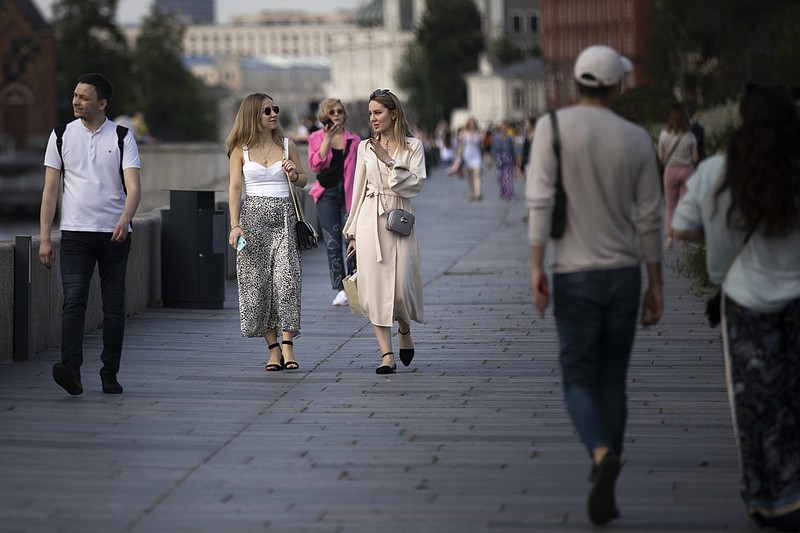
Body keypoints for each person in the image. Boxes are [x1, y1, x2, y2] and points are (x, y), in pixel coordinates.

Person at [526, 45, 663, 526]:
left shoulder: (552, 127)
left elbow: (539, 202)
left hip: (573, 273)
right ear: (617, 84)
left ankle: (602, 457)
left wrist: (536, 269)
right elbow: (650, 217)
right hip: (624, 275)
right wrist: (657, 282)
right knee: (613, 381)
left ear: (577, 82)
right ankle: (606, 466)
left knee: (578, 375)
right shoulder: (636, 137)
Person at [671, 84, 800, 532]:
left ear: (741, 121)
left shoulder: (716, 173)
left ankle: (766, 492)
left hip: (745, 301)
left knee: (753, 400)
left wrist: (723, 241)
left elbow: (682, 229)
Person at [39, 72, 142, 395]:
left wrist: (125, 218)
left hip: (114, 234)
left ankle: (109, 373)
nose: (75, 101)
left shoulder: (122, 136)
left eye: (83, 97)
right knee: (73, 302)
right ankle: (71, 371)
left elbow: (134, 187)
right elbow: (50, 191)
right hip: (75, 234)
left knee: (113, 307)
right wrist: (44, 237)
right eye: (74, 95)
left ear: (102, 103)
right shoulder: (60, 135)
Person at [343, 89, 426, 375]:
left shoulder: (413, 147)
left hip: (399, 218)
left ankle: (404, 328)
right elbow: (358, 190)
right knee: (376, 290)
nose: (373, 118)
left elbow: (414, 185)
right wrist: (352, 231)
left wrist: (389, 161)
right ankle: (386, 354)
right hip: (370, 219)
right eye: (370, 113)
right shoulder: (364, 147)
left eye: (378, 112)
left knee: (402, 287)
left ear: (393, 113)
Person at [226, 93, 307, 372]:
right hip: (252, 220)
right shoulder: (240, 150)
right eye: (266, 111)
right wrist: (235, 224)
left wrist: (294, 173)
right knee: (257, 286)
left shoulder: (287, 145)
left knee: (287, 281)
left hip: (284, 218)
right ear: (252, 116)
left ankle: (288, 345)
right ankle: (273, 350)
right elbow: (235, 189)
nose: (273, 114)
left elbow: (304, 180)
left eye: (275, 109)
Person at [307, 97, 361, 306]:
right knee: (332, 242)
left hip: (349, 195)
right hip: (327, 195)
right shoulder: (316, 138)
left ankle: (355, 286)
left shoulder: (354, 140)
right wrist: (327, 141)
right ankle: (340, 289)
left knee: (353, 242)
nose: (336, 114)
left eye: (339, 111)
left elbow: (360, 171)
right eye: (332, 112)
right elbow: (316, 165)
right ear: (325, 116)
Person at [658, 104, 698, 250]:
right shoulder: (690, 136)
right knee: (684, 205)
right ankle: (683, 239)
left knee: (669, 206)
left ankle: (668, 238)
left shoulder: (663, 134)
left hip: (670, 170)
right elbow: (695, 157)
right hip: (687, 171)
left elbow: (661, 156)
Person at [456, 117, 483, 201]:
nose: (472, 125)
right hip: (467, 155)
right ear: (468, 124)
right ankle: (471, 193)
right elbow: (462, 146)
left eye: (473, 123)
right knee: (470, 176)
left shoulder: (478, 133)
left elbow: (481, 146)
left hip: (476, 154)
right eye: (471, 123)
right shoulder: (464, 133)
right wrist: (459, 155)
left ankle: (478, 193)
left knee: (477, 173)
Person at [490, 120, 515, 200]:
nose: (503, 129)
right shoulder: (496, 137)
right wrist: (492, 158)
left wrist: (514, 160)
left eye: (505, 127)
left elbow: (512, 149)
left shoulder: (510, 138)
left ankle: (509, 192)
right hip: (499, 158)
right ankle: (503, 191)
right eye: (502, 127)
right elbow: (493, 148)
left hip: (507, 158)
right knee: (499, 176)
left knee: (507, 176)